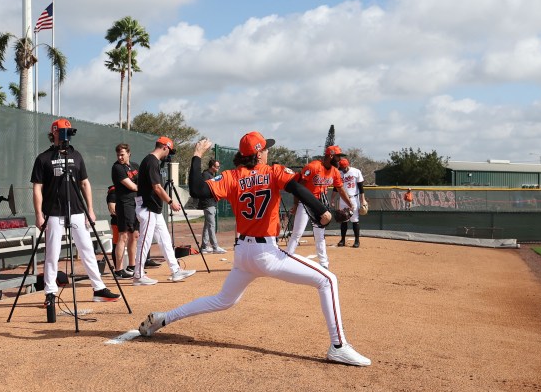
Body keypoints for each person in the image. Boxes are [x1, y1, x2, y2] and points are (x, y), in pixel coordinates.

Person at [138, 133, 371, 367]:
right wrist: (322, 210)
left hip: (243, 254)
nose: (268, 151)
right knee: (328, 280)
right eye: (265, 149)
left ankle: (164, 318)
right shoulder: (273, 171)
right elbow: (298, 189)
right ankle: (338, 346)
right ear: (258, 154)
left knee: (223, 300)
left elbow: (197, 189)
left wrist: (197, 155)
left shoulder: (231, 176)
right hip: (266, 254)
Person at [30, 118, 120, 308]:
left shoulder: (76, 155)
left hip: (77, 211)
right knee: (52, 253)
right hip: (53, 212)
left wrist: (90, 210)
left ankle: (98, 288)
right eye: (64, 131)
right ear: (54, 133)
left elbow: (85, 183)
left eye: (69, 132)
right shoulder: (43, 158)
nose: (67, 135)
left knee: (87, 248)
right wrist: (38, 214)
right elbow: (37, 188)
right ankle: (50, 292)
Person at [132, 137, 196, 285]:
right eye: (169, 151)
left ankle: (176, 270)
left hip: (154, 209)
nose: (168, 155)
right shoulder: (151, 161)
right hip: (147, 208)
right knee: (144, 242)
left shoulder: (153, 161)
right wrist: (171, 202)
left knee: (165, 239)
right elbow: (157, 187)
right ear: (165, 147)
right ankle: (138, 275)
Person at [285, 145, 354, 269]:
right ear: (331, 156)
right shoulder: (313, 167)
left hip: (320, 205)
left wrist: (350, 204)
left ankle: (324, 263)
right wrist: (295, 204)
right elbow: (298, 187)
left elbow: (340, 189)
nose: (339, 160)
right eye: (338, 157)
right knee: (297, 233)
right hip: (305, 202)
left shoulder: (334, 171)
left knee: (320, 235)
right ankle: (286, 259)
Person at [110, 144, 140, 278]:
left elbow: (142, 181)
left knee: (135, 235)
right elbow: (132, 186)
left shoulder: (135, 166)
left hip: (136, 204)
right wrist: (144, 188)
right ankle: (118, 270)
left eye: (122, 154)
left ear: (129, 154)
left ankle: (132, 266)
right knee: (123, 236)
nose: (120, 157)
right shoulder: (117, 167)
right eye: (118, 155)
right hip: (124, 204)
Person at [335, 158, 365, 248]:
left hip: (354, 198)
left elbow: (361, 188)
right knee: (343, 219)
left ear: (347, 165)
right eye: (341, 168)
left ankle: (357, 241)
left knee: (355, 220)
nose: (342, 169)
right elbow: (336, 187)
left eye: (343, 168)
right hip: (343, 199)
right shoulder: (339, 173)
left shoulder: (356, 172)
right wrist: (332, 198)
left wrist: (363, 200)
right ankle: (342, 240)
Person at [199, 158, 226, 253]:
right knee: (211, 225)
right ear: (212, 166)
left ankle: (204, 247)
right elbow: (205, 189)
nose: (218, 168)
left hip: (212, 202)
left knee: (207, 225)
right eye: (217, 167)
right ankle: (215, 247)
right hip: (208, 203)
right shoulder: (206, 175)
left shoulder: (210, 175)